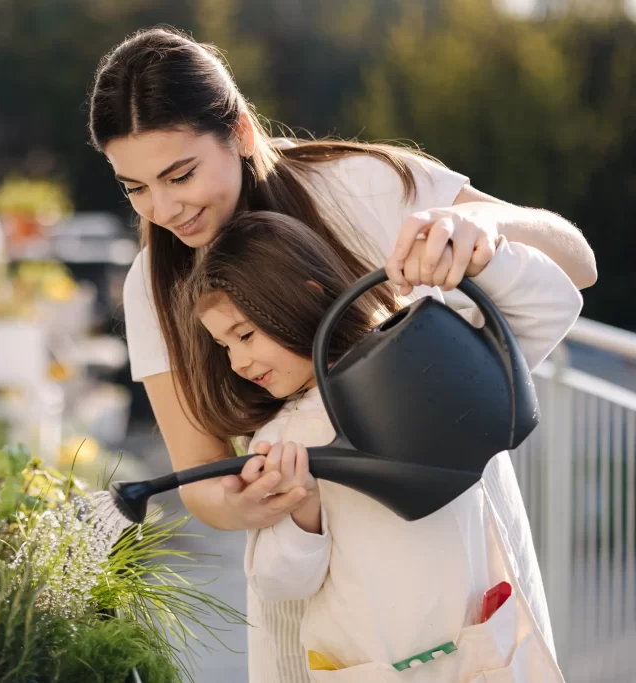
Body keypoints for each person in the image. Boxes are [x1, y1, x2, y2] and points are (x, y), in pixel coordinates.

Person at [87, 26, 597, 682]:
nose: (164, 209)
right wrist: (268, 505)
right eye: (135, 188)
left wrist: (480, 230)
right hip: (328, 600)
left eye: (180, 174)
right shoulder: (150, 284)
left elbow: (576, 265)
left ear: (240, 131)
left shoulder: (363, 184)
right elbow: (203, 480)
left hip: (455, 544)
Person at [178, 210, 580, 681]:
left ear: (301, 297)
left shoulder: (426, 357)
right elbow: (279, 584)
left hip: (481, 654)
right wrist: (302, 511)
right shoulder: (279, 442)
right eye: (224, 347)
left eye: (244, 335)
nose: (239, 362)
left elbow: (553, 305)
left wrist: (478, 261)